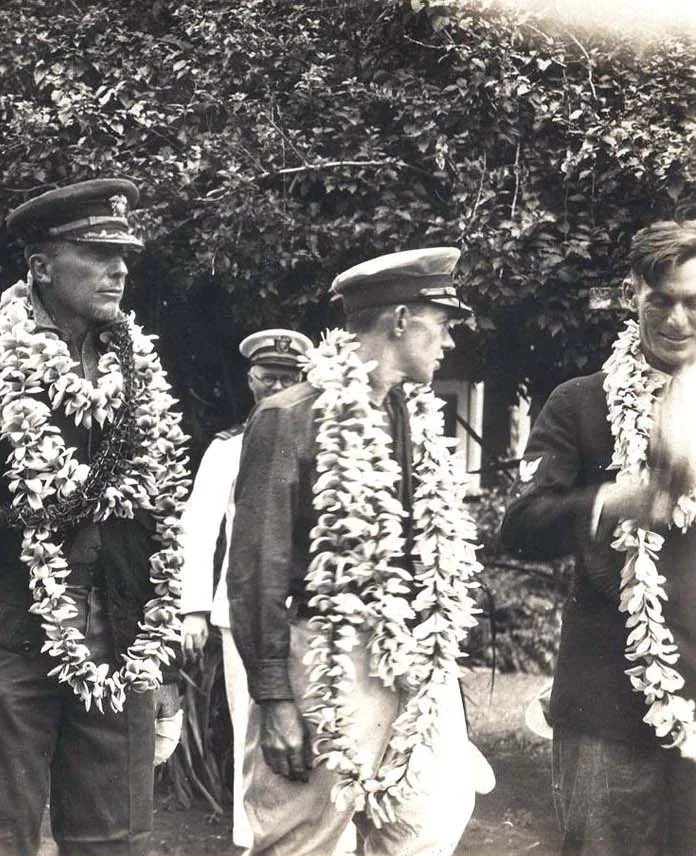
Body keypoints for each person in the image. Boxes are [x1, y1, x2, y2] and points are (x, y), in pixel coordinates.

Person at [0, 178, 197, 856]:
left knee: (115, 842)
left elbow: (158, 522)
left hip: (120, 644)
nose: (119, 269)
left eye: (124, 254)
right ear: (40, 266)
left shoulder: (137, 366)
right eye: (96, 252)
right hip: (5, 646)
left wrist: (164, 662)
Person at [227, 248, 487, 856]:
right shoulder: (289, 417)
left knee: (426, 825)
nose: (448, 343)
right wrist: (274, 699)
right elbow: (255, 566)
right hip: (321, 652)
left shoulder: (416, 417)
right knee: (302, 837)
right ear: (400, 320)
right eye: (442, 324)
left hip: (411, 654)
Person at [500, 220, 696, 855]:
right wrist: (616, 499)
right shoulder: (579, 404)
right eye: (660, 298)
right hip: (606, 702)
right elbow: (522, 527)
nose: (675, 319)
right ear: (630, 291)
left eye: (694, 303)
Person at [179, 328, 312, 850]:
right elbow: (200, 526)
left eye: (288, 377)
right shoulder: (230, 447)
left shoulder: (323, 437)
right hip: (244, 615)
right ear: (250, 380)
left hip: (314, 614)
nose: (276, 385)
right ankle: (249, 837)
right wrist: (192, 608)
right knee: (255, 732)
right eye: (267, 376)